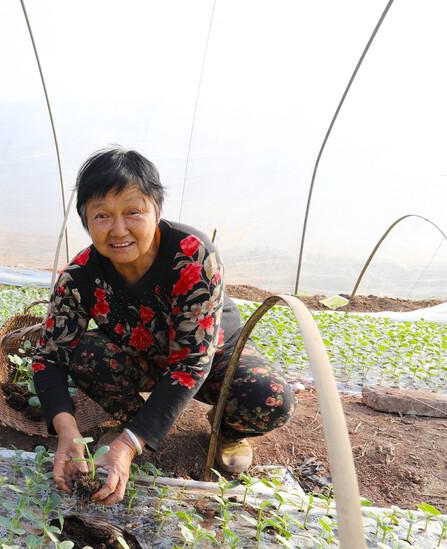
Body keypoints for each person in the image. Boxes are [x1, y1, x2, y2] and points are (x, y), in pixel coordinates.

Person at [33, 148, 295, 505]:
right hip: (141, 357)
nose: (118, 229)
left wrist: (125, 447)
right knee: (84, 353)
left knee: (268, 396)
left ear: (156, 209)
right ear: (85, 220)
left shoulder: (191, 255)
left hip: (212, 356)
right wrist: (67, 431)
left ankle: (226, 429)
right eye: (102, 216)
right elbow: (49, 358)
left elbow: (191, 362)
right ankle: (134, 424)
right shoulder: (79, 276)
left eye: (132, 212)